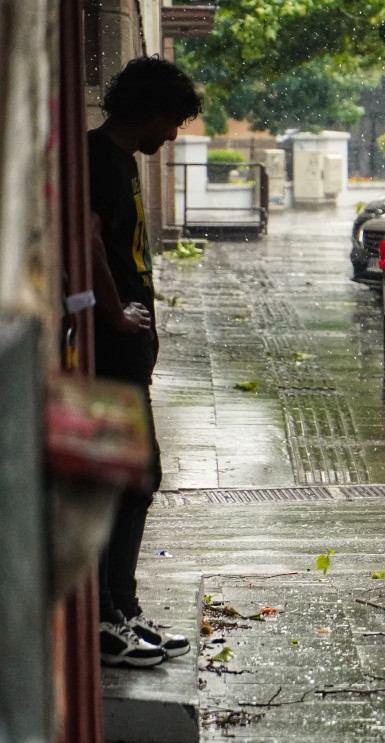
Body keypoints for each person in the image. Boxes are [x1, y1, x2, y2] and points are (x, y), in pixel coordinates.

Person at [89, 55, 201, 667]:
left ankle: (122, 608)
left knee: (137, 478)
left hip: (129, 344)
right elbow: (83, 236)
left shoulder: (122, 160)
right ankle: (108, 616)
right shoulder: (97, 159)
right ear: (151, 111)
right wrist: (113, 315)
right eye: (172, 120)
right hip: (110, 347)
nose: (173, 133)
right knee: (131, 476)